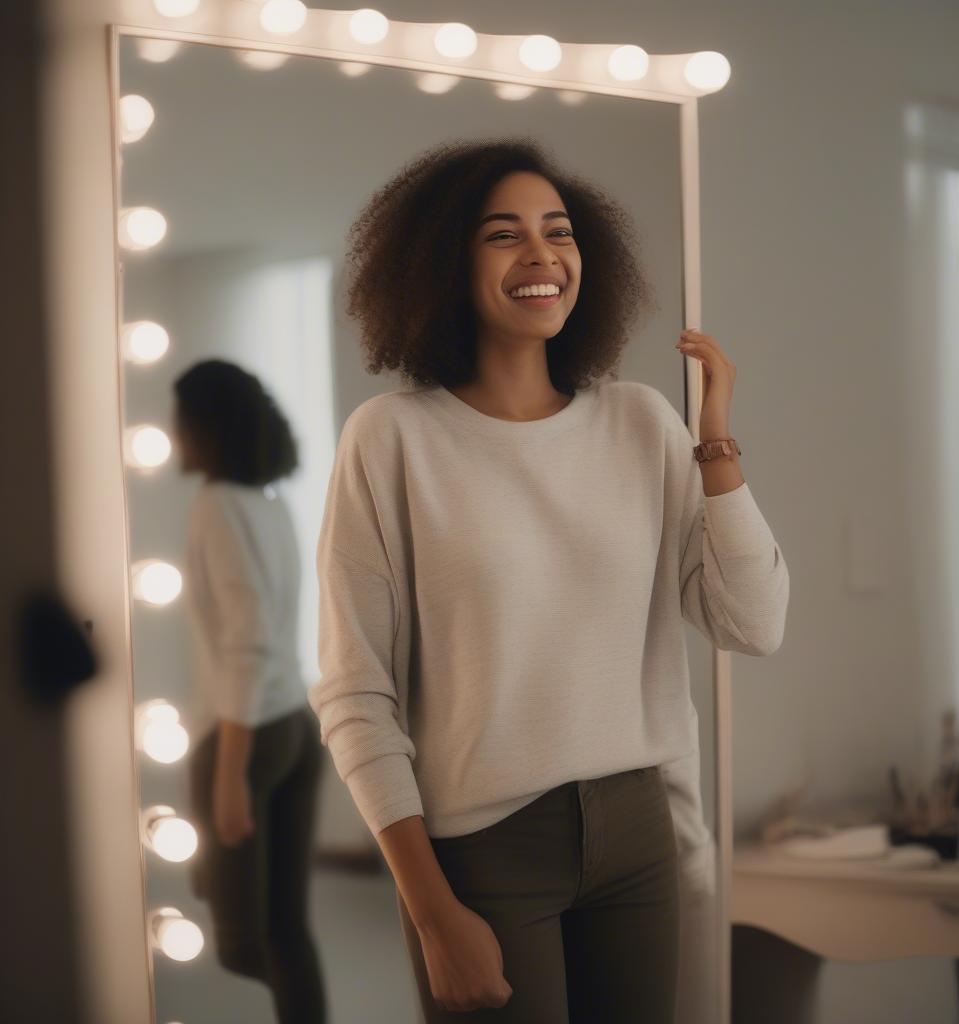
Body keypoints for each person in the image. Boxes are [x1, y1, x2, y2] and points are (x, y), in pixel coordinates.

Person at [309, 138, 789, 1022]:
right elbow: (354, 693)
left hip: (638, 829)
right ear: (443, 264)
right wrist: (430, 910)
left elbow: (752, 623)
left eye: (557, 231)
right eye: (504, 235)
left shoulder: (643, 422)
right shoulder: (391, 440)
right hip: (484, 845)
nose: (542, 255)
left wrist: (715, 442)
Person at [175, 359, 327, 1024]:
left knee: (240, 946)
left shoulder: (215, 506)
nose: (173, 434)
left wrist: (231, 771)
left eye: (180, 419)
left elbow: (248, 638)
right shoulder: (269, 504)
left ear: (204, 427)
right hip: (295, 724)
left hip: (248, 737)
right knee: (287, 934)